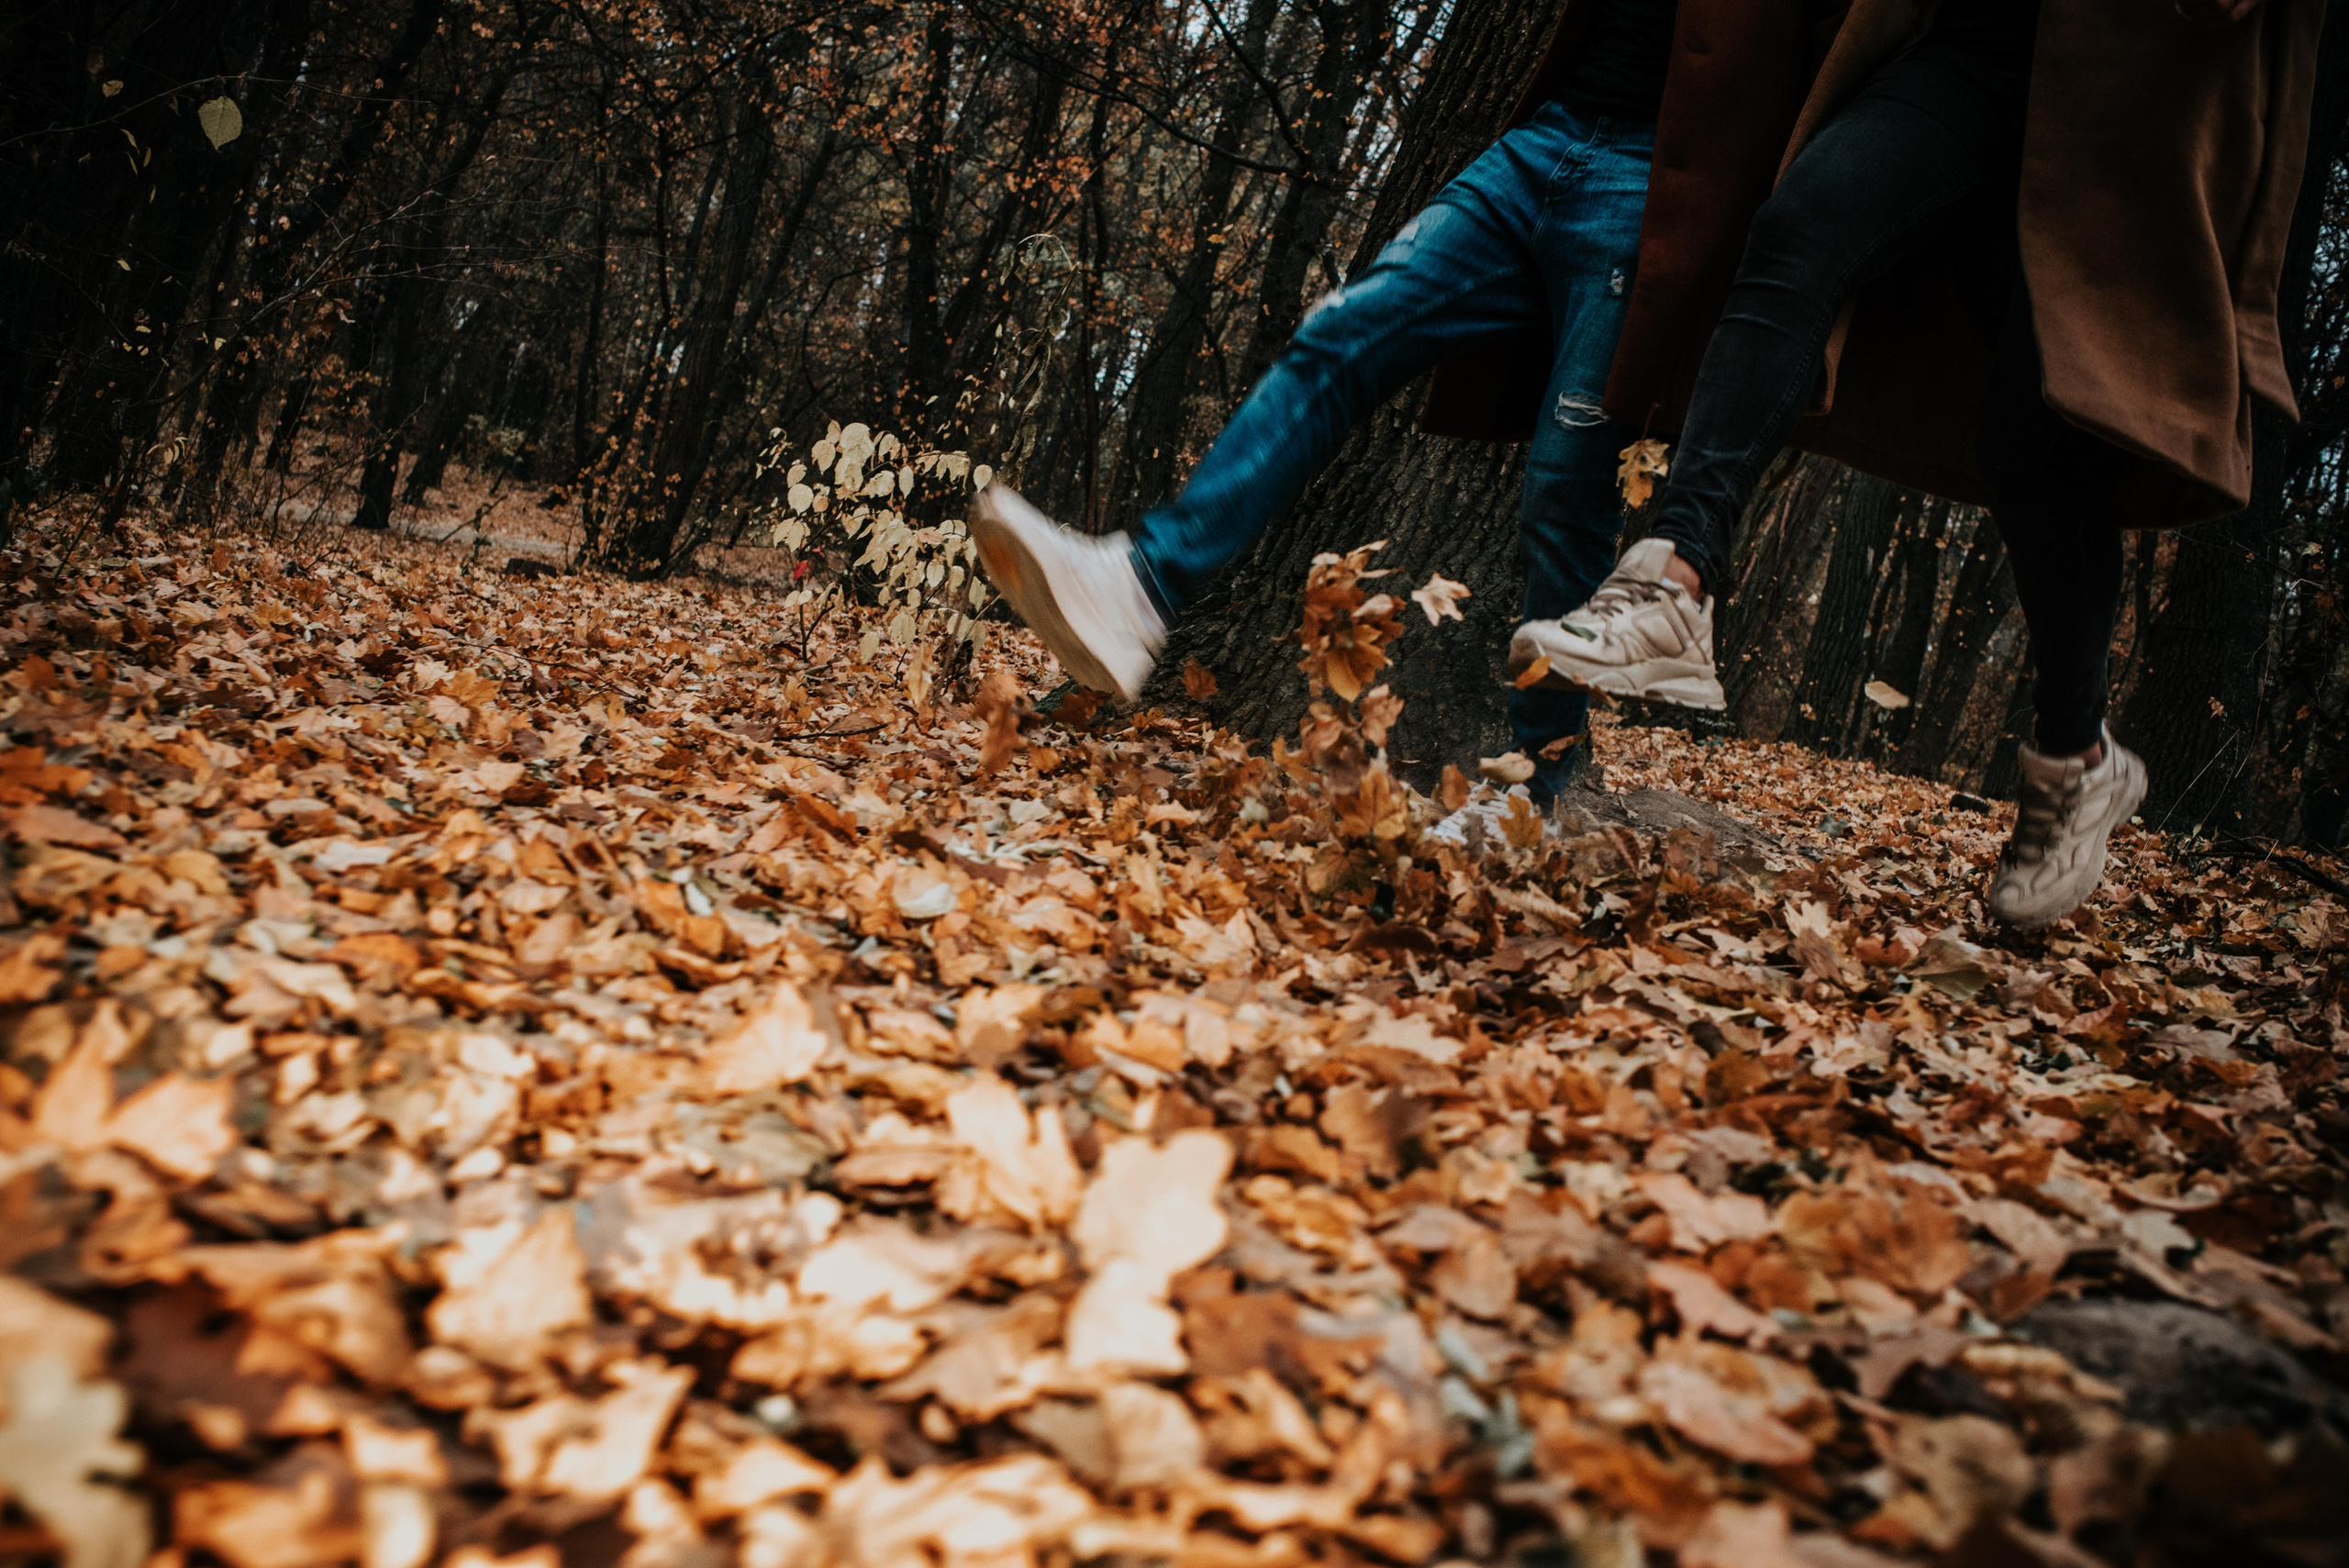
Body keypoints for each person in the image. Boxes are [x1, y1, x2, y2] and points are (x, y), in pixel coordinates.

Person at [1509, 0, 2324, 928]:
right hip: (1979, 40)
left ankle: (2077, 762)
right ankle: (1675, 581)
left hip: (2141, 89)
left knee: (2041, 434)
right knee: (1802, 223)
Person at [971, 0, 1847, 810]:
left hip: (1655, 185)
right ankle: (1143, 586)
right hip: (1544, 143)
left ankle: (1536, 795)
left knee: (1566, 493)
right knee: (1345, 331)